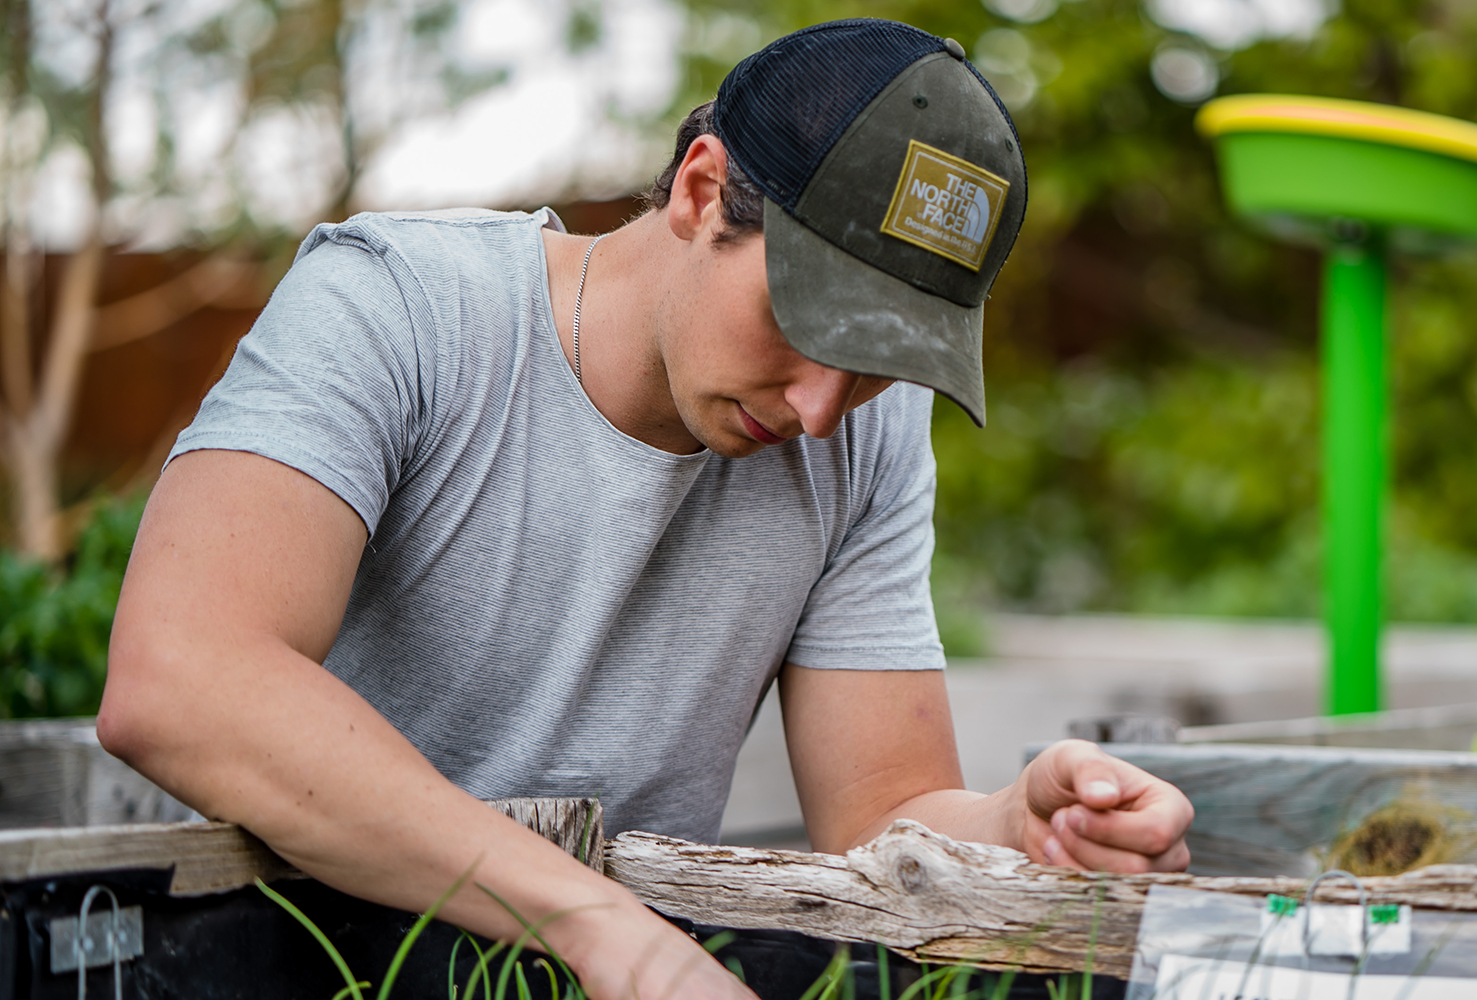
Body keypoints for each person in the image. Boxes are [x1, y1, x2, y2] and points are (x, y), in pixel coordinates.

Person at [96, 17, 1194, 1000]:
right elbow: (181, 679)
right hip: (293, 948)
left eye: (877, 362)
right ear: (699, 191)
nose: (822, 408)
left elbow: (878, 812)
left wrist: (1014, 827)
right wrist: (598, 927)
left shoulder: (865, 433)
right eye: (809, 324)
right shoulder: (396, 310)